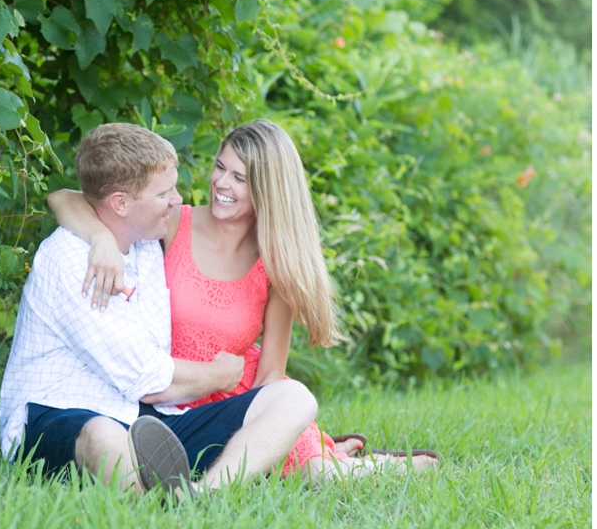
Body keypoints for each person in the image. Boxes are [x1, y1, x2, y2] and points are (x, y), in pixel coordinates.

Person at [48, 119, 438, 482]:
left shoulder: (273, 265)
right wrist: (100, 237)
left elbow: (269, 376)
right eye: (220, 167)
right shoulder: (171, 224)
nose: (221, 183)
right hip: (168, 396)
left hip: (235, 394)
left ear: (266, 191)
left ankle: (371, 465)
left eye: (239, 178)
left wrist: (253, 422)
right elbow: (65, 198)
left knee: (317, 474)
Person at [0, 122, 320, 495]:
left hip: (149, 417)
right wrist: (222, 373)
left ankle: (202, 495)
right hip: (60, 415)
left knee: (296, 399)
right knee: (105, 435)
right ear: (121, 203)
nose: (179, 199)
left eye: (239, 177)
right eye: (165, 192)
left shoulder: (147, 243)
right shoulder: (74, 260)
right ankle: (147, 510)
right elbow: (149, 381)